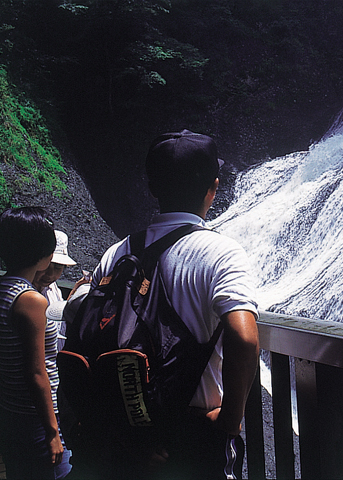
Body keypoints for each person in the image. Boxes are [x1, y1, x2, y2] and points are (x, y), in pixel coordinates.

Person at [88, 129, 259, 479]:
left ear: (152, 188)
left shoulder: (117, 253)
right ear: (212, 189)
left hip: (129, 434)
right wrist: (230, 418)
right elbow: (244, 338)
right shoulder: (221, 252)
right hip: (193, 436)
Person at [0, 207, 72, 479]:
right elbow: (36, 373)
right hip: (34, 418)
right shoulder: (31, 300)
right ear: (44, 255)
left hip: (8, 412)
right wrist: (52, 432)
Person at [34, 230, 88, 351]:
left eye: (58, 268)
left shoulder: (53, 288)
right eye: (47, 266)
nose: (49, 274)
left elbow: (59, 314)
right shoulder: (30, 296)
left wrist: (75, 290)